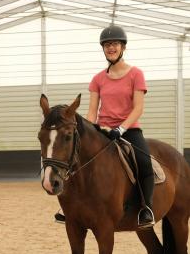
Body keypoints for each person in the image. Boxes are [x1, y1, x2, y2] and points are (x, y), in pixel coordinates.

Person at [54, 24, 154, 228]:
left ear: (123, 47)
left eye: (115, 44)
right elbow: (92, 111)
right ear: (103, 48)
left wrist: (122, 129)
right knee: (76, 160)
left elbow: (138, 108)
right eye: (107, 45)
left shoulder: (136, 74)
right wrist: (90, 131)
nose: (111, 48)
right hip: (103, 130)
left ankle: (146, 208)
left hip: (129, 129)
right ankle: (68, 206)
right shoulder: (97, 79)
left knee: (144, 163)